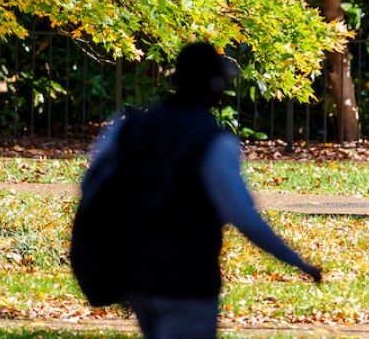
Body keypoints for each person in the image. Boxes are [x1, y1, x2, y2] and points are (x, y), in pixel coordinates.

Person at [86, 42, 321, 339]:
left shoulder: (129, 126)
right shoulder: (212, 141)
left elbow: (93, 186)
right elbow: (244, 217)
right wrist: (297, 261)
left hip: (136, 275)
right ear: (215, 86)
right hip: (187, 279)